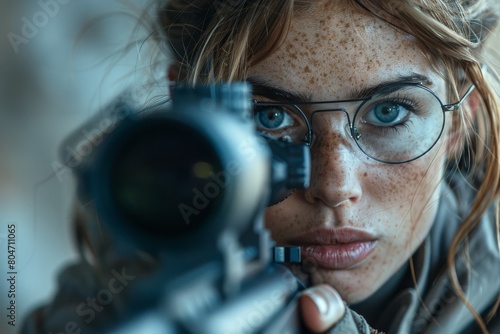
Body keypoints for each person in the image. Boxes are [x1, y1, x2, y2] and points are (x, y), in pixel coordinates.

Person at [22, 0, 500, 333]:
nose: (333, 186)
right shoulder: (107, 307)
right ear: (188, 113)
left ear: (460, 121)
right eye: (268, 117)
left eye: (389, 112)